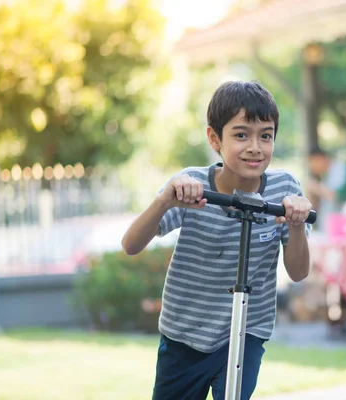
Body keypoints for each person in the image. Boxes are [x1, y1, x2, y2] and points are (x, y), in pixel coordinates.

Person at [121, 80, 312, 400]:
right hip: (185, 335)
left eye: (266, 135)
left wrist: (295, 225)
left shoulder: (284, 189)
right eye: (241, 135)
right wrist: (164, 201)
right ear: (215, 139)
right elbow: (131, 245)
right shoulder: (193, 186)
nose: (255, 146)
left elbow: (299, 272)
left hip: (245, 332)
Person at [306, 148, 346, 233]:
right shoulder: (324, 176)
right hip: (327, 228)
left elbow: (337, 196)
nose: (311, 166)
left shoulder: (339, 170)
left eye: (312, 162)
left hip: (342, 226)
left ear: (321, 159)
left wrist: (315, 187)